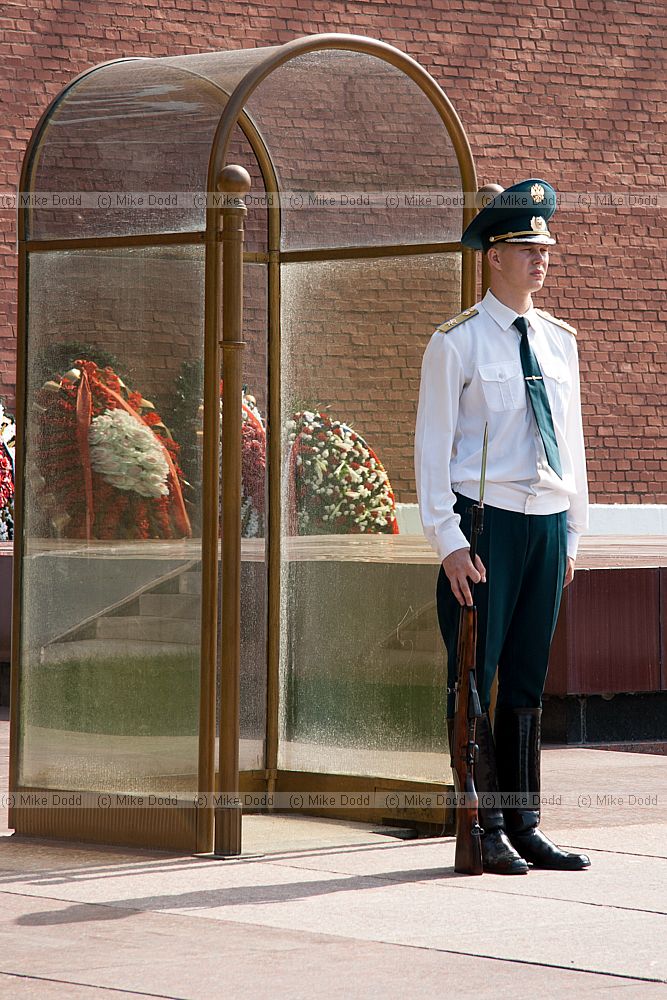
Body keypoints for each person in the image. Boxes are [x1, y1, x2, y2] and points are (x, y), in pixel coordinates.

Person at [415, 179, 591, 875]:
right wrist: (448, 540)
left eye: (545, 245)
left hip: (545, 524)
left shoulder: (557, 340)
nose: (540, 258)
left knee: (525, 679)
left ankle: (524, 823)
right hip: (484, 529)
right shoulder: (455, 342)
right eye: (525, 246)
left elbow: (571, 442)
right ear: (493, 255)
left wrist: (573, 533)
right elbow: (432, 449)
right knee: (473, 675)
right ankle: (480, 826)